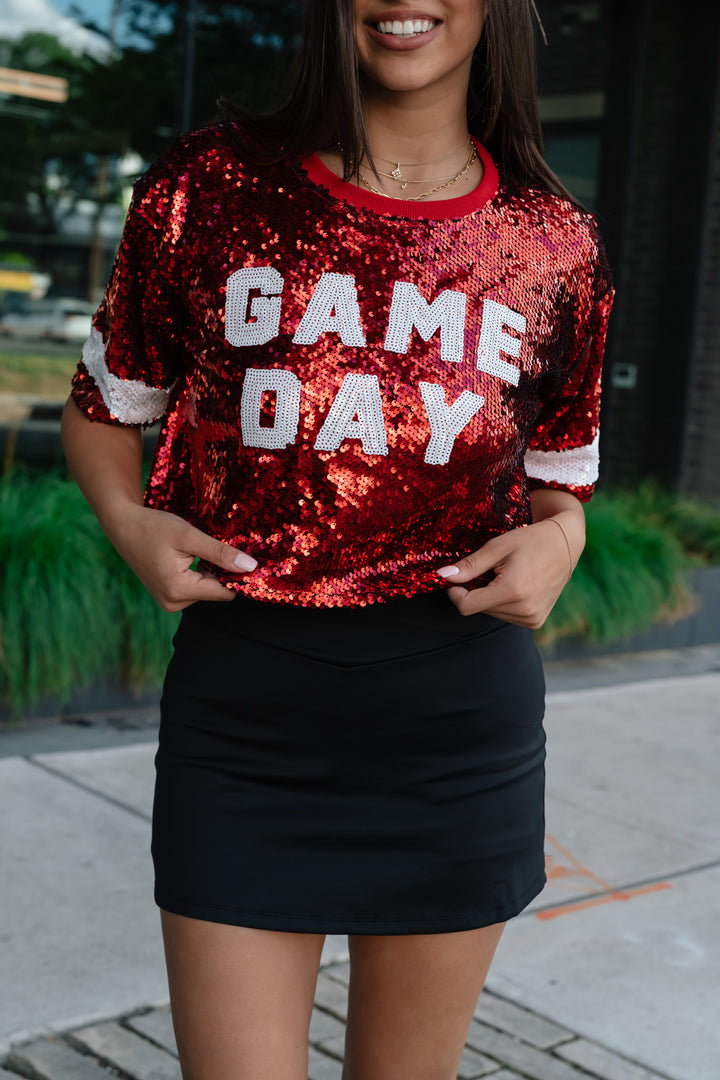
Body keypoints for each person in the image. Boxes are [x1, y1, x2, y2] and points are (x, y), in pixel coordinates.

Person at [61, 1, 614, 1077]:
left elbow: (561, 488)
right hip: (247, 724)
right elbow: (103, 407)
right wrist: (131, 525)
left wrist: (561, 547)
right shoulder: (208, 187)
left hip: (456, 735)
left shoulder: (558, 244)